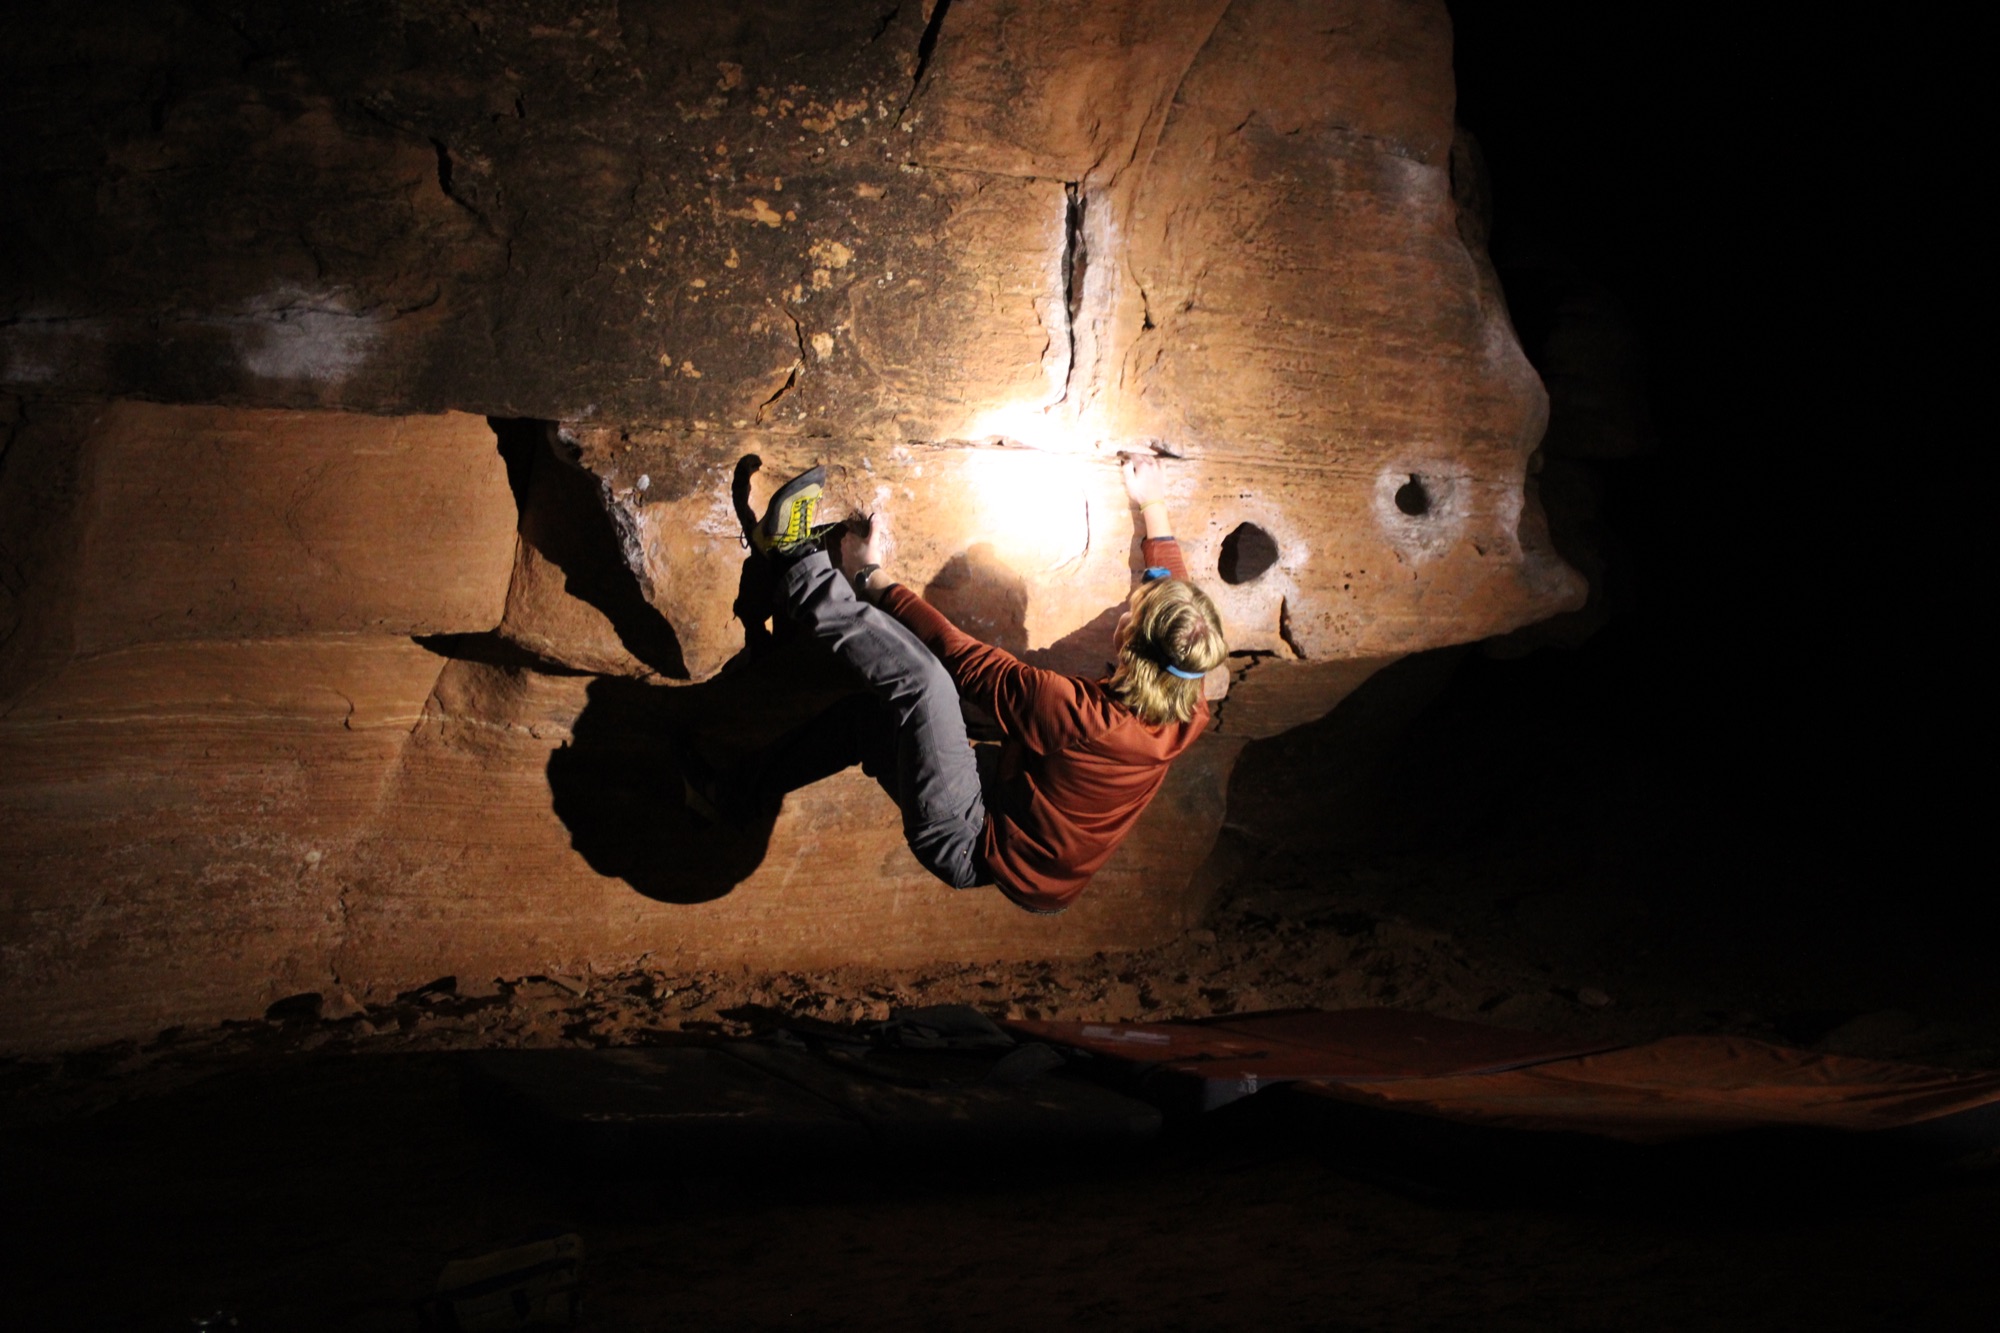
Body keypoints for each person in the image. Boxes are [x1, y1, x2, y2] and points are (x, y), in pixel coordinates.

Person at [713, 453, 1228, 914]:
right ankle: (728, 791)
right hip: (1025, 837)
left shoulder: (1079, 715)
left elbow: (963, 660)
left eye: (1133, 614)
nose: (1131, 606)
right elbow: (1175, 597)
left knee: (926, 687)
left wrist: (871, 576)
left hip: (970, 839)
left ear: (1132, 649)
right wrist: (1152, 502)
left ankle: (795, 565)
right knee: (867, 723)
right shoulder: (1186, 695)